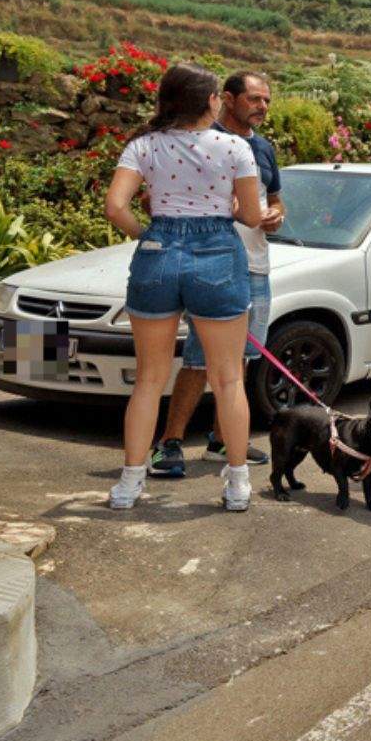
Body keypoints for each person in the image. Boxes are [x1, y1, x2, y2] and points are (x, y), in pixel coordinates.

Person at [103, 62, 264, 512]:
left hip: (158, 249)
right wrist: (228, 205)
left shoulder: (143, 146)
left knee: (149, 381)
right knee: (228, 378)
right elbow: (252, 217)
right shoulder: (234, 148)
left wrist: (147, 235)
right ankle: (236, 485)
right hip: (217, 252)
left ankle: (129, 484)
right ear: (209, 101)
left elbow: (115, 206)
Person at [149, 71, 283, 479]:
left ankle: (222, 442)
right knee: (198, 359)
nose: (261, 106)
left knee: (240, 358)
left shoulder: (264, 148)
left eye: (266, 100)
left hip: (256, 264)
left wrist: (275, 216)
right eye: (254, 98)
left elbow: (273, 199)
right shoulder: (204, 142)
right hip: (213, 261)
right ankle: (169, 443)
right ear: (225, 98)